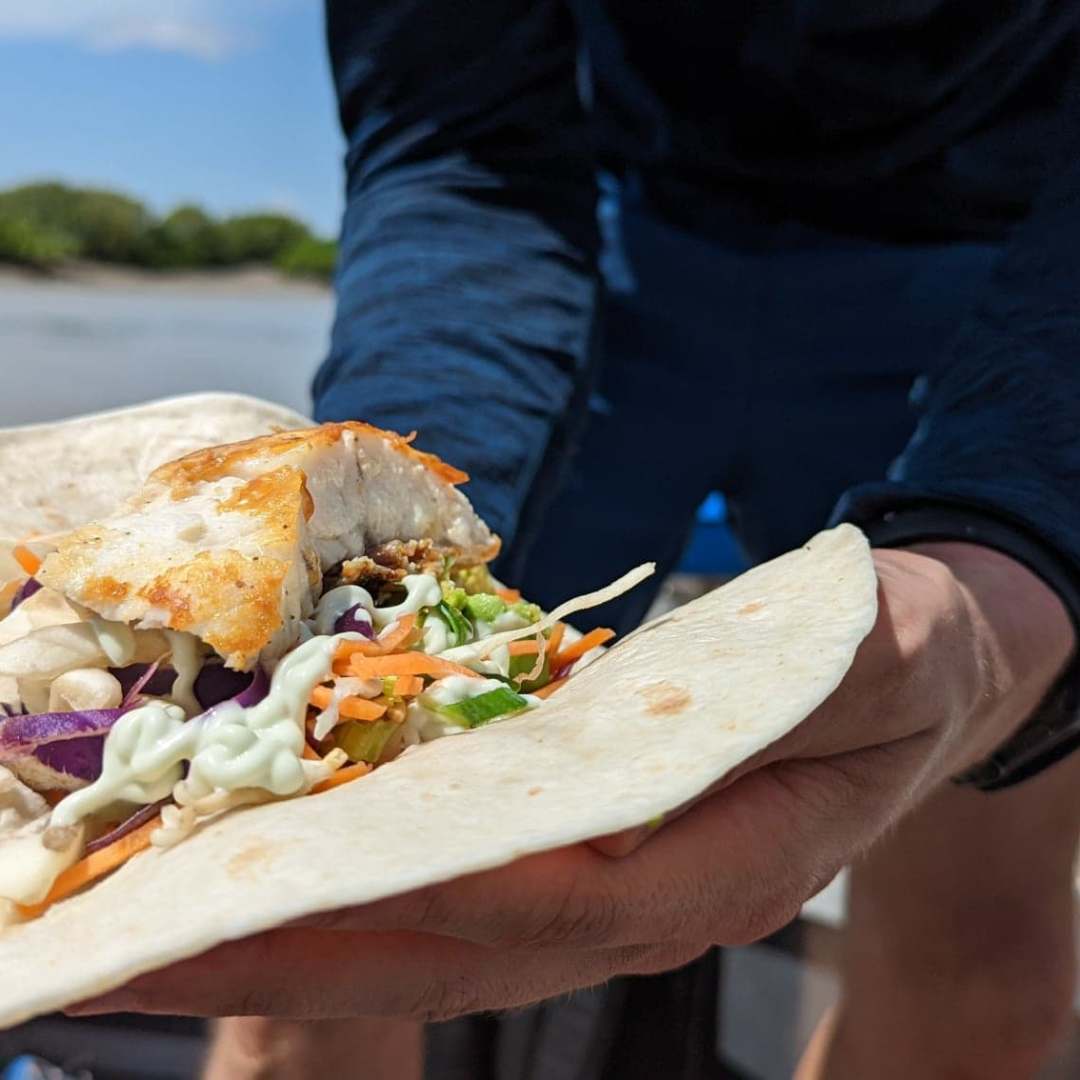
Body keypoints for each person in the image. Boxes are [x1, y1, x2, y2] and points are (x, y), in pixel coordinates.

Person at [79, 4, 1080, 1077]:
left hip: (1009, 265)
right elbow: (464, 143)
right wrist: (384, 517)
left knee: (979, 969)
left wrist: (1008, 554)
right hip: (590, 240)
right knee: (309, 943)